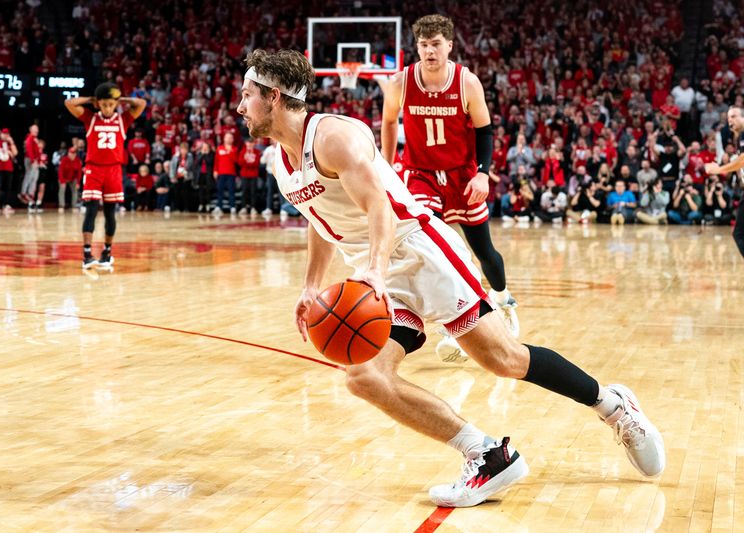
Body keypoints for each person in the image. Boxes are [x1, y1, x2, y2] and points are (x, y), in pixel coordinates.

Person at [238, 47, 665, 508]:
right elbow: (320, 219)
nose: (241, 106)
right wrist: (309, 285)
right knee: (363, 376)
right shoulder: (280, 162)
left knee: (503, 359)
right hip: (378, 273)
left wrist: (377, 269)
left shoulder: (335, 136)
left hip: (418, 250)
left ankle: (614, 406)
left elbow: (379, 205)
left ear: (275, 97)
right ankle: (485, 456)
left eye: (247, 95)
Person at [381, 15, 519, 363]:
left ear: (449, 46)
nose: (430, 51)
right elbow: (388, 122)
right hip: (421, 174)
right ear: (417, 48)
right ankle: (454, 324)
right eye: (424, 45)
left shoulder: (466, 82)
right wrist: (386, 166)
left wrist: (483, 174)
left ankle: (502, 298)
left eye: (436, 44)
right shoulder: (401, 82)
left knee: (484, 251)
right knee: (437, 247)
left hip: (462, 175)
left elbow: (485, 131)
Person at [65, 83, 146, 269]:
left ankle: (107, 252)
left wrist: (121, 99)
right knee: (91, 210)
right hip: (94, 169)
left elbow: (141, 103)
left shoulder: (123, 119)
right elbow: (69, 103)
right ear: (98, 105)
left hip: (114, 170)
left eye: (111, 105)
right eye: (104, 105)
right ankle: (87, 254)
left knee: (110, 213)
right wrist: (91, 99)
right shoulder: (90, 118)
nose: (108, 108)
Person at [705, 105, 744, 258]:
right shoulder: (739, 138)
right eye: (728, 118)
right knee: (739, 234)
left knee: (739, 234)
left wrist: (719, 170)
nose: (730, 121)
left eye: (733, 116)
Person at [20, 124, 40, 208]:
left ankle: (30, 194)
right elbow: (29, 150)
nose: (37, 131)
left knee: (34, 177)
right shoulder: (29, 138)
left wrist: (38, 161)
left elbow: (37, 151)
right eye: (35, 129)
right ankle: (24, 193)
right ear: (30, 130)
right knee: (29, 176)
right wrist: (32, 160)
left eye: (37, 129)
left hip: (35, 160)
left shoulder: (35, 139)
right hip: (30, 160)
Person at [58, 147, 82, 211]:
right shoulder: (64, 160)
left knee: (75, 189)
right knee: (62, 188)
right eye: (71, 153)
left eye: (74, 153)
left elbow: (79, 173)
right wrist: (62, 181)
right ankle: (61, 205)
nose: (72, 155)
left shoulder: (77, 161)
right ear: (68, 153)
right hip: (64, 178)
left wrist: (78, 183)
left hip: (73, 178)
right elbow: (60, 171)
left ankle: (74, 205)